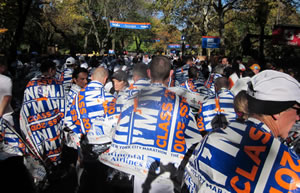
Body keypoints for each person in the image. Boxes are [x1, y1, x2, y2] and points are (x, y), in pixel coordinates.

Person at [185, 70, 300, 193]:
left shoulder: (211, 139)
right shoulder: (291, 168)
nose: (298, 118)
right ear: (278, 112)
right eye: (298, 111)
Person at [100, 55, 202, 193]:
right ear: (171, 74)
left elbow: (118, 133)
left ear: (148, 73)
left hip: (139, 176)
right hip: (168, 178)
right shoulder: (181, 105)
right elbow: (195, 143)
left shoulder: (132, 101)